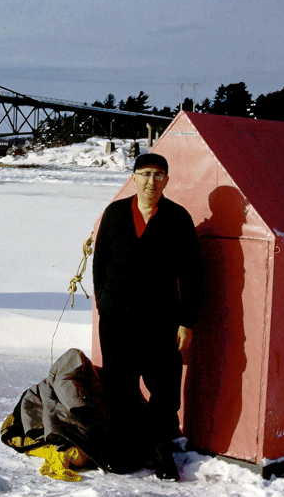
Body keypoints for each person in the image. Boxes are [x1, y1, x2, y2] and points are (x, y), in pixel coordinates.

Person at [92, 153, 202, 481]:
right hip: (118, 323)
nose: (150, 181)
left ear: (166, 180)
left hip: (161, 323)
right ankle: (125, 449)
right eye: (144, 174)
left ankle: (159, 450)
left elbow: (193, 275)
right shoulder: (114, 214)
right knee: (120, 388)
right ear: (134, 177)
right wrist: (105, 305)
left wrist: (187, 321)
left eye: (158, 175)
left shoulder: (178, 218)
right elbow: (100, 265)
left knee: (164, 390)